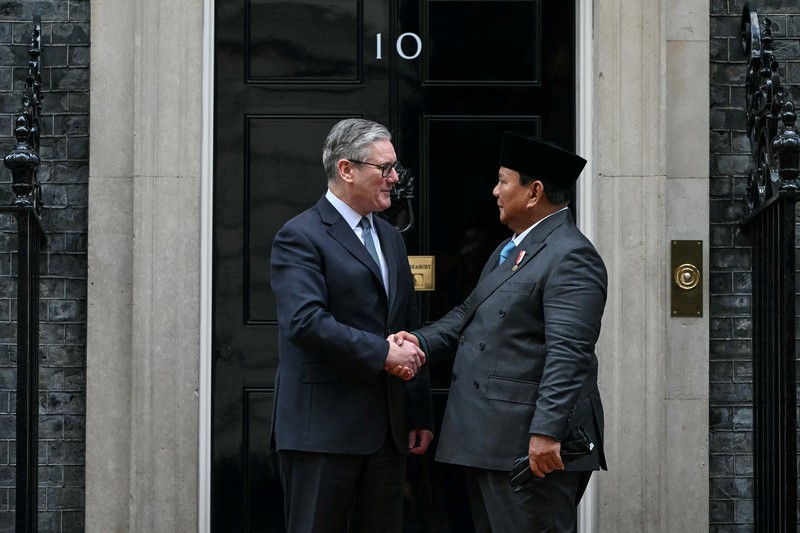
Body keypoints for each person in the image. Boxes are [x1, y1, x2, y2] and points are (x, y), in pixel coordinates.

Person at [393, 132, 607, 532]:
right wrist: (418, 341)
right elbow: (468, 314)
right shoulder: (512, 248)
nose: (495, 191)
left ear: (534, 191)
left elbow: (569, 352)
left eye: (503, 181)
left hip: (530, 450)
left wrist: (546, 432)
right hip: (491, 442)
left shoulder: (572, 255)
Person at [270, 118, 434, 532]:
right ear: (347, 170)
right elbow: (305, 322)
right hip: (322, 433)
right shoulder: (300, 235)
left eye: (395, 168)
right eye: (385, 168)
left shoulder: (391, 237)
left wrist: (417, 411)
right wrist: (382, 353)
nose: (395, 178)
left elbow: (406, 326)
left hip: (387, 434)